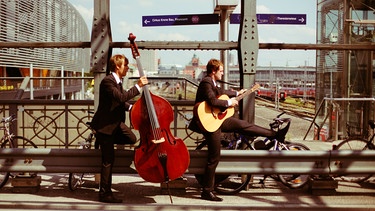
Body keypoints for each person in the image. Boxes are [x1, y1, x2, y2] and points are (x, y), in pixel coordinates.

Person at [189, 58, 286, 202]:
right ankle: (207, 191)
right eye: (220, 71)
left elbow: (221, 92)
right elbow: (213, 101)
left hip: (219, 119)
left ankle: (274, 135)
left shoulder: (213, 82)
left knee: (243, 125)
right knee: (214, 157)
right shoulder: (206, 82)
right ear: (213, 71)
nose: (222, 74)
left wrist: (237, 93)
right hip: (209, 124)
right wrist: (229, 102)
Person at [90, 54, 148, 203]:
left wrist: (134, 109)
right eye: (126, 65)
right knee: (108, 160)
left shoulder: (118, 82)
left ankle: (104, 141)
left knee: (132, 138)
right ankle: (104, 193)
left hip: (114, 124)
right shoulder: (107, 82)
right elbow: (121, 97)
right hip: (105, 126)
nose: (127, 68)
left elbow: (121, 103)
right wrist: (138, 86)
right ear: (118, 66)